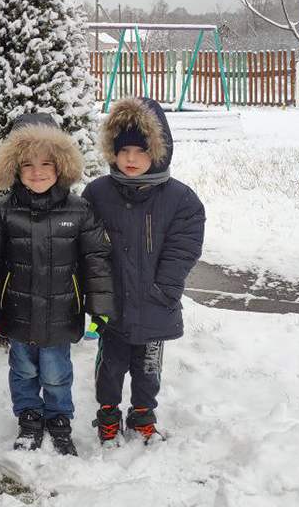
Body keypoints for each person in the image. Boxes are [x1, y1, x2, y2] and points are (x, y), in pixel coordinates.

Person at [0, 113, 113, 456]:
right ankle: (29, 416)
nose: (37, 171)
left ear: (61, 165)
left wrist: (100, 309)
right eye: (28, 164)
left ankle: (60, 419)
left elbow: (97, 261)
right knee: (22, 370)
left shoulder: (80, 211)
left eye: (46, 162)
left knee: (56, 372)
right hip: (17, 313)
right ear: (14, 169)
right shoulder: (2, 212)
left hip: (61, 314)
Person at [82, 97, 205, 444]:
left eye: (140, 150)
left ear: (158, 151)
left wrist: (164, 289)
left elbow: (183, 248)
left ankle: (142, 414)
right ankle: (107, 414)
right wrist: (99, 290)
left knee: (148, 370)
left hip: (156, 303)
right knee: (110, 366)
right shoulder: (98, 193)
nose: (131, 159)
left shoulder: (180, 199)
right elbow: (89, 245)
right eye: (123, 151)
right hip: (114, 305)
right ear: (112, 152)